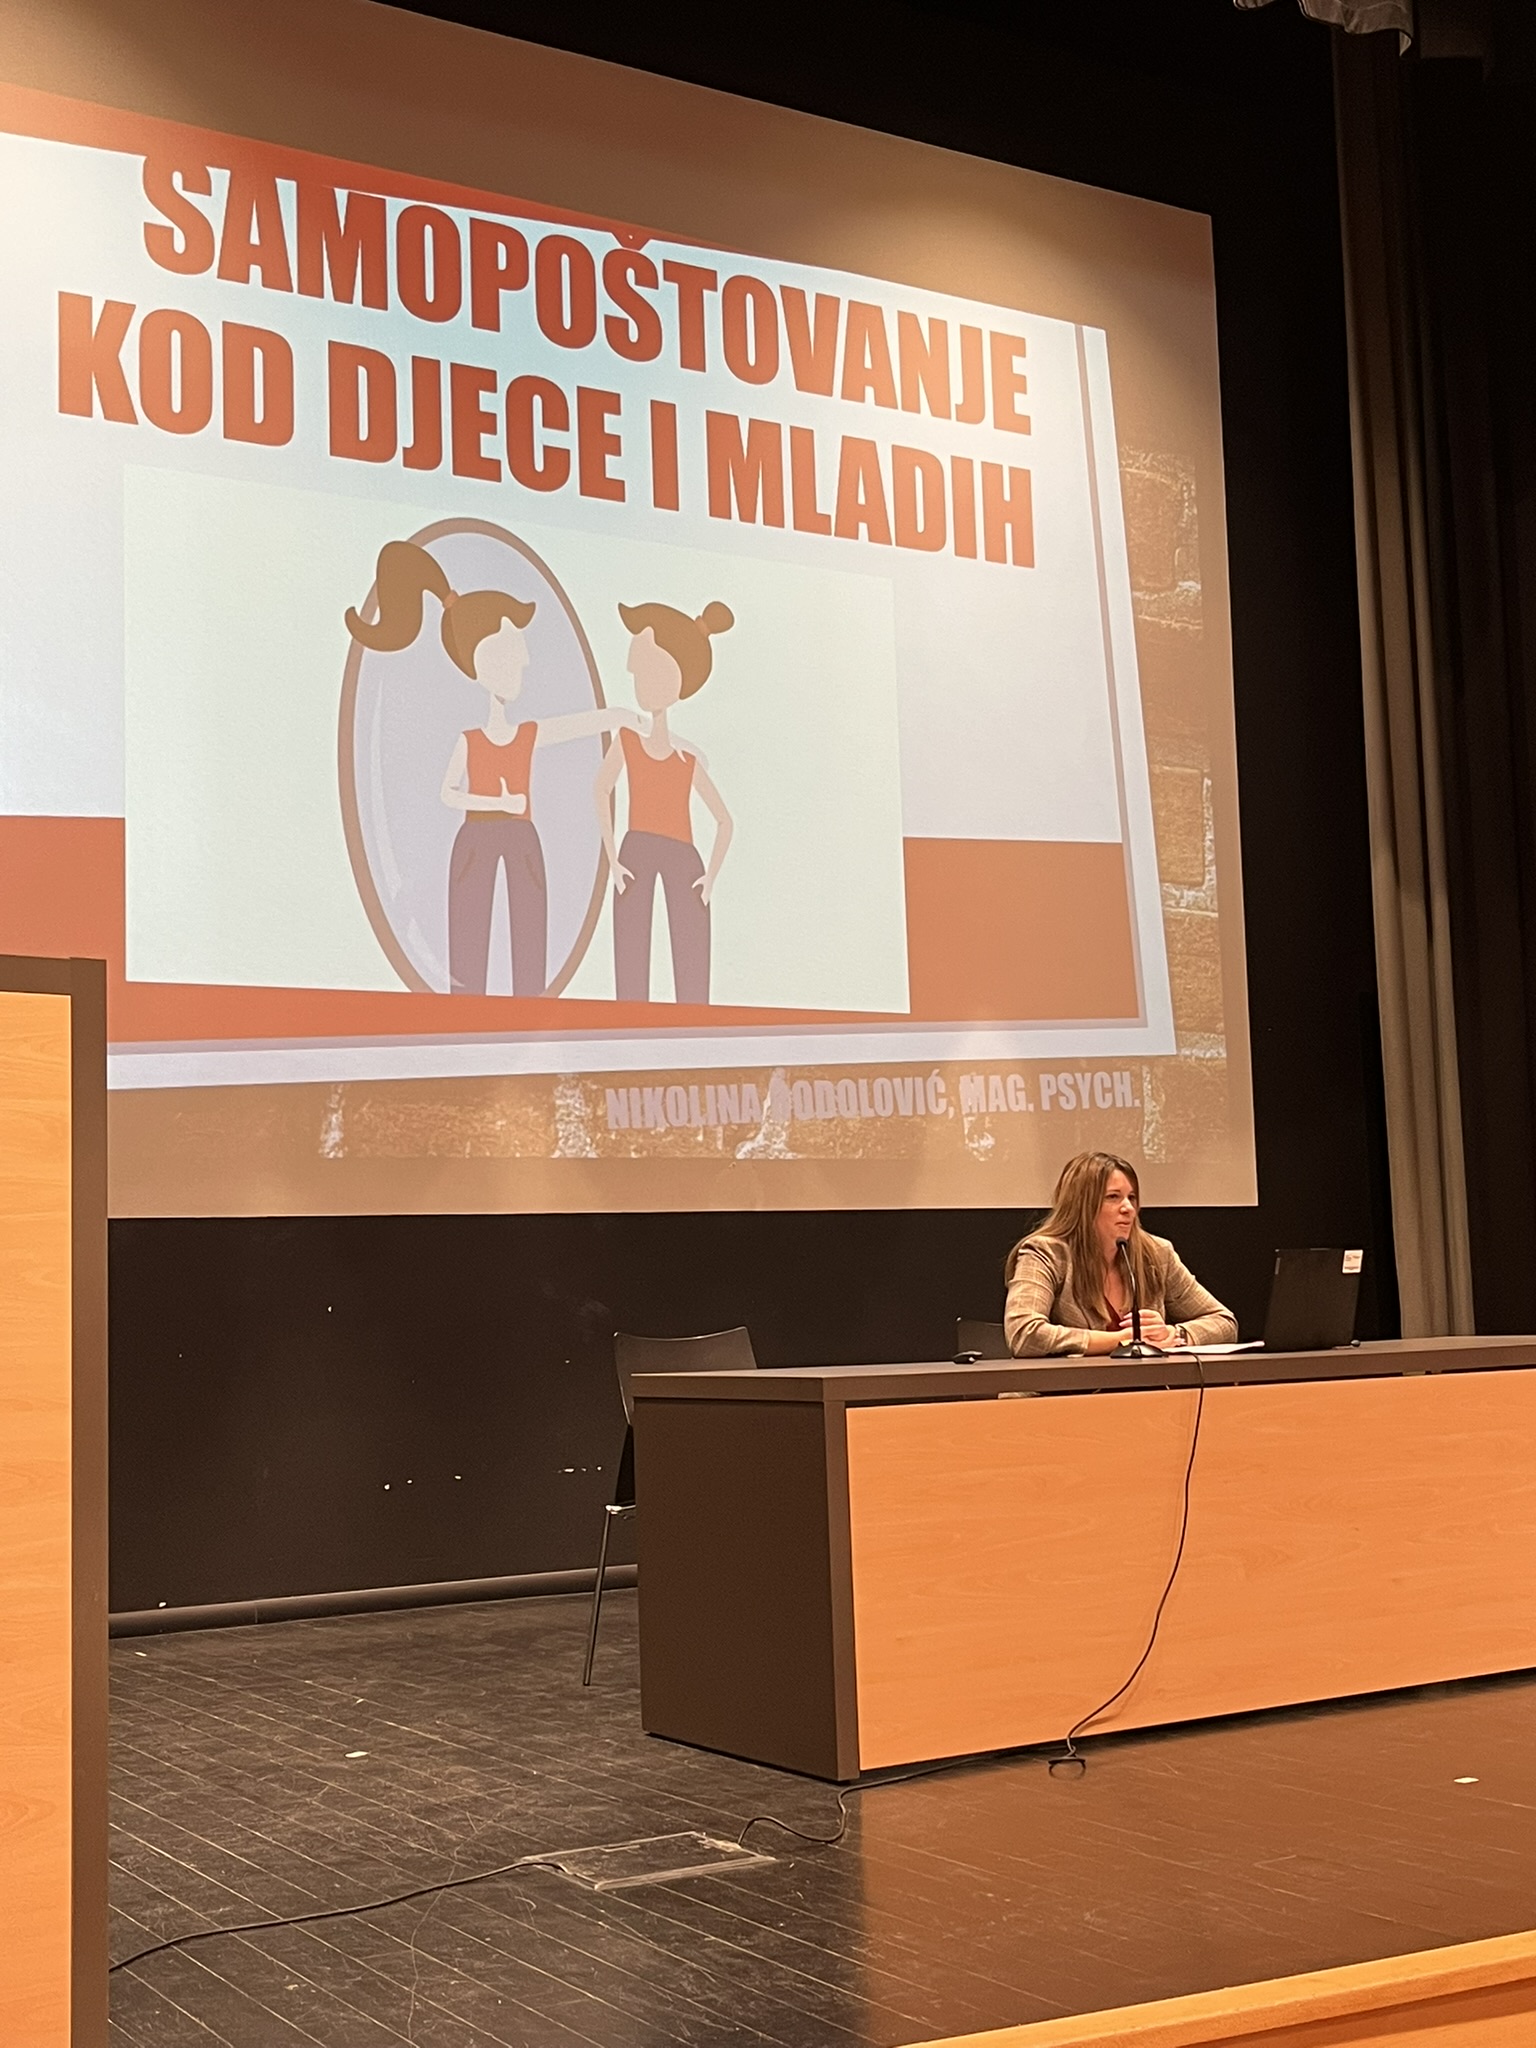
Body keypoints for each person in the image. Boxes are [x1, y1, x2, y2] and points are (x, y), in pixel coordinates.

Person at [346, 540, 637, 998]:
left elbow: (571, 727)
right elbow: (448, 794)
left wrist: (615, 715)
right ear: (481, 662)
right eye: (513, 649)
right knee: (468, 957)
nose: (525, 660)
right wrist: (495, 802)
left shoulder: (525, 735)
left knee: (529, 955)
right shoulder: (469, 741)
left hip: (522, 840)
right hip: (476, 839)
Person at [594, 599, 734, 1004]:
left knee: (693, 977)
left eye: (649, 671)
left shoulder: (687, 761)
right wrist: (612, 858)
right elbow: (601, 789)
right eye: (639, 673)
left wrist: (710, 876)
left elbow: (725, 821)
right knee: (630, 968)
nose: (641, 682)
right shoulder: (627, 741)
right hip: (635, 850)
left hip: (683, 857)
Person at [1004, 1150, 1236, 1356]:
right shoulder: (1046, 1253)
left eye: (1131, 1198)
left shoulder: (1156, 1254)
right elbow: (1024, 1334)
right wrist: (1124, 1340)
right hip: (1067, 1389)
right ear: (1082, 1205)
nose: (1128, 1208)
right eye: (1113, 1197)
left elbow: (1224, 1322)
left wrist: (1173, 1334)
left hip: (1145, 1388)